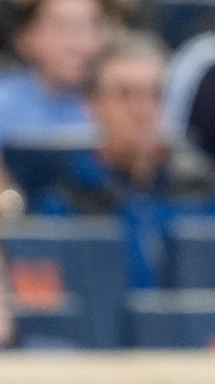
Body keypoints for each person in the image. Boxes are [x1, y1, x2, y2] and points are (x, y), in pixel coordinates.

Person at [36, 30, 215, 289]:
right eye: (124, 94)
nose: (141, 110)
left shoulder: (202, 190)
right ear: (93, 104)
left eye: (154, 94)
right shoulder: (65, 203)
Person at [0, 0, 117, 214]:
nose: (80, 45)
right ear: (26, 37)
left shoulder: (117, 94)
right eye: (62, 28)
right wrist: (12, 209)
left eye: (91, 26)